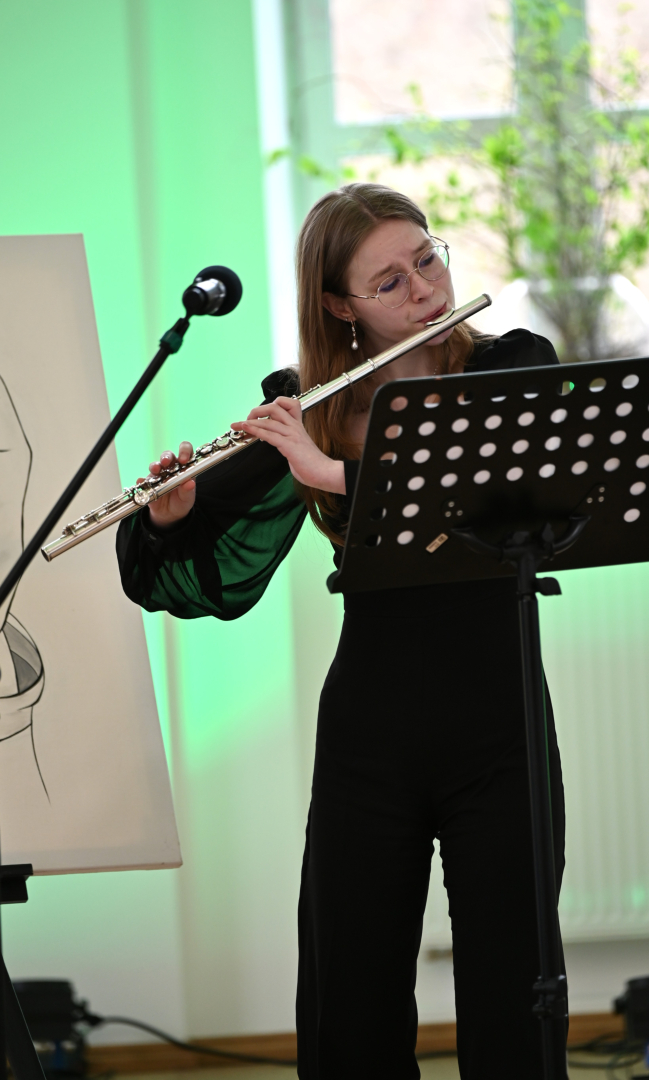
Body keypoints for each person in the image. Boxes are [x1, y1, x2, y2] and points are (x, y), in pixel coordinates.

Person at [117, 183, 567, 1080]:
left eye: (427, 260)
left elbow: (477, 501)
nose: (424, 289)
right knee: (350, 991)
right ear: (339, 306)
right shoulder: (313, 404)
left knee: (511, 986)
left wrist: (329, 473)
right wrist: (171, 515)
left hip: (498, 719)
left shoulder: (508, 367)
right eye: (389, 282)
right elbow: (182, 565)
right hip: (371, 729)